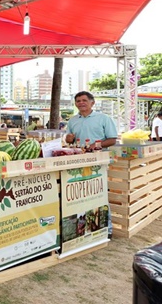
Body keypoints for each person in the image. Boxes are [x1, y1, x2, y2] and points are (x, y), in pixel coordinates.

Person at [65, 91, 117, 238]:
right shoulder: (73, 120)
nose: (81, 103)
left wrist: (97, 144)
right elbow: (69, 140)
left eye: (84, 100)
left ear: (92, 103)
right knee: (82, 195)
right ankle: (83, 229)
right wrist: (68, 138)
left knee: (99, 194)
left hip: (98, 162)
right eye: (78, 101)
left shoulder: (103, 118)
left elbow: (112, 139)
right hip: (79, 162)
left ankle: (107, 229)